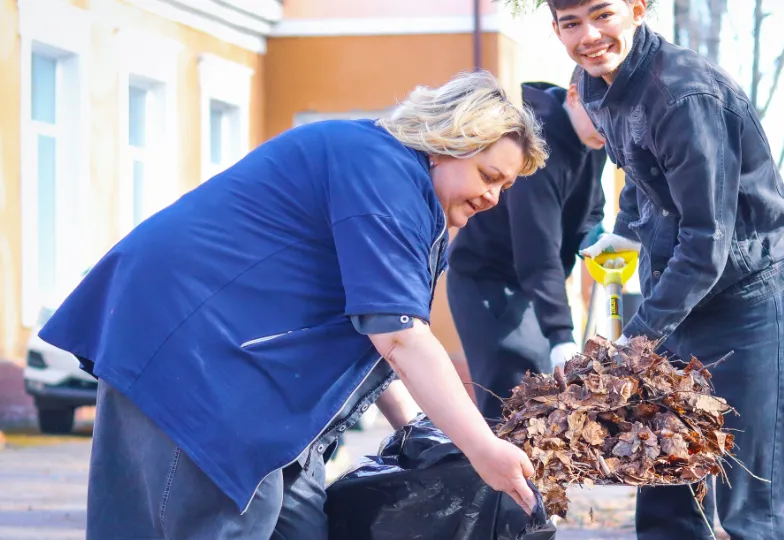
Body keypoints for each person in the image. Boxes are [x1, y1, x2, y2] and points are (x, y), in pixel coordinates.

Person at [36, 70, 549, 539]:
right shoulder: (382, 172)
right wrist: (483, 451)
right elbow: (399, 337)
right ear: (447, 143)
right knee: (226, 521)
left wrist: (416, 430)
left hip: (251, 381)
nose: (494, 199)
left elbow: (373, 336)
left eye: (504, 186)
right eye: (488, 175)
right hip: (192, 354)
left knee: (300, 527)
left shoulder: (408, 195)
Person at [545, 1, 784, 539]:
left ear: (638, 9)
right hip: (681, 294)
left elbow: (707, 240)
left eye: (603, 15)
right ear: (556, 29)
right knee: (665, 475)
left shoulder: (684, 96)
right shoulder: (594, 84)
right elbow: (639, 175)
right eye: (571, 23)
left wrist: (634, 344)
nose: (589, 36)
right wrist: (623, 231)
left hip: (750, 299)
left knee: (749, 501)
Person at [446, 67, 609, 420]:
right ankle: (494, 473)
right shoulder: (541, 147)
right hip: (488, 281)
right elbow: (537, 252)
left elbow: (592, 209)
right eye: (602, 111)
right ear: (573, 96)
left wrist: (595, 242)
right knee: (518, 393)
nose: (609, 125)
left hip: (529, 285)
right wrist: (561, 334)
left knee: (545, 391)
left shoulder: (594, 140)